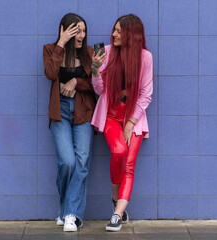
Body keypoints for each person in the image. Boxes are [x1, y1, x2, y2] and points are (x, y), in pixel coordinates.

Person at [91, 14, 153, 232]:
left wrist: (130, 124)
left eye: (119, 31)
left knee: (128, 165)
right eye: (114, 30)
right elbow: (99, 90)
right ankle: (116, 196)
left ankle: (117, 214)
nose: (114, 34)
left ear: (131, 34)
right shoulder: (107, 52)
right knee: (118, 150)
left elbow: (146, 94)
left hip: (133, 118)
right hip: (110, 115)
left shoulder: (145, 57)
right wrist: (96, 70)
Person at [43, 13, 96, 232]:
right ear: (64, 30)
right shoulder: (50, 49)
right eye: (76, 31)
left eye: (83, 30)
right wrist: (61, 44)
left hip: (83, 111)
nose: (81, 35)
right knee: (68, 162)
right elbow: (50, 73)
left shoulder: (91, 53)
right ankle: (66, 209)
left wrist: (76, 81)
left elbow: (96, 85)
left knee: (81, 162)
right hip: (60, 111)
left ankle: (71, 214)